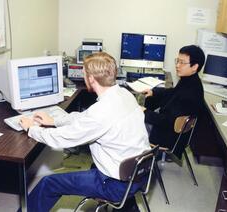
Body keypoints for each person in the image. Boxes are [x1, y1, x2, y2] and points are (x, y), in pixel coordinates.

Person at [19, 52, 150, 212]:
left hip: (115, 184)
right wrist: (54, 121)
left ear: (91, 78)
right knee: (93, 163)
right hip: (139, 173)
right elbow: (85, 118)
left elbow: (61, 139)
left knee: (49, 183)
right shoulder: (124, 94)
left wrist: (31, 129)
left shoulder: (101, 112)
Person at [142, 45, 205, 159]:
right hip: (171, 132)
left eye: (182, 62)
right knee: (148, 101)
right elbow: (173, 93)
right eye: (177, 61)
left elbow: (168, 122)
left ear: (194, 66)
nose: (177, 65)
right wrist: (154, 92)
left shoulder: (190, 94)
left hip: (168, 137)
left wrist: (144, 112)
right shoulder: (191, 82)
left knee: (129, 123)